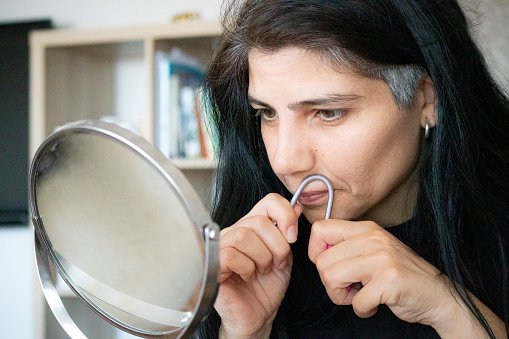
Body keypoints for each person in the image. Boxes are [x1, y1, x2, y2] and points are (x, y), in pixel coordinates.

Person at [195, 0, 509, 338]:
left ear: (427, 99)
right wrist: (245, 331)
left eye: (328, 113)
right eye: (267, 113)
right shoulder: (250, 263)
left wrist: (451, 311)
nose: (284, 161)